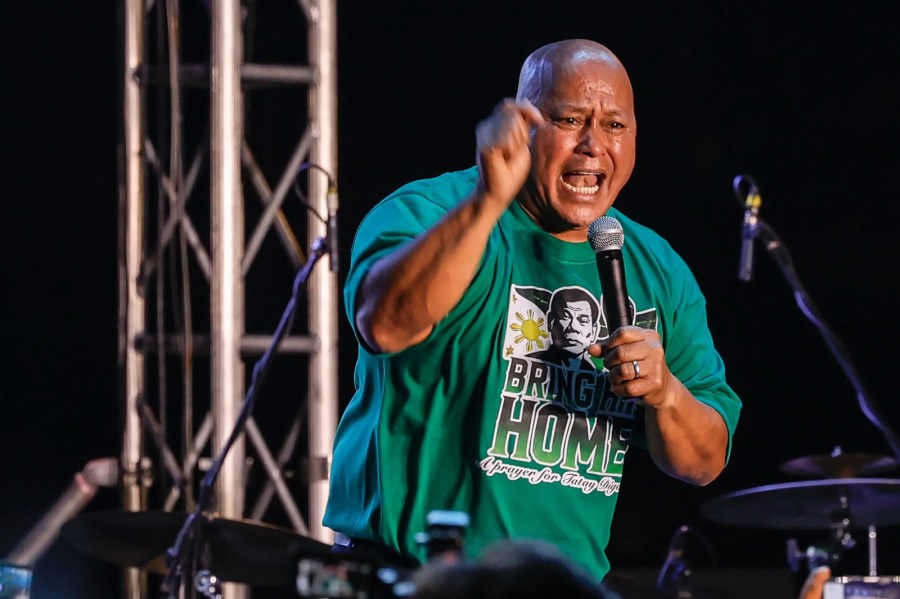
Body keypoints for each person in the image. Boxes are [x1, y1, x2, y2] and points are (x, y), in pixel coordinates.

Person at [324, 38, 742, 581]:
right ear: (524, 125)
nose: (594, 145)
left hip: (562, 587)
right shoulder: (427, 211)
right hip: (411, 576)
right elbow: (384, 325)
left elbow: (704, 461)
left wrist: (665, 394)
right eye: (570, 120)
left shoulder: (657, 269)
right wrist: (487, 202)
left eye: (615, 125)